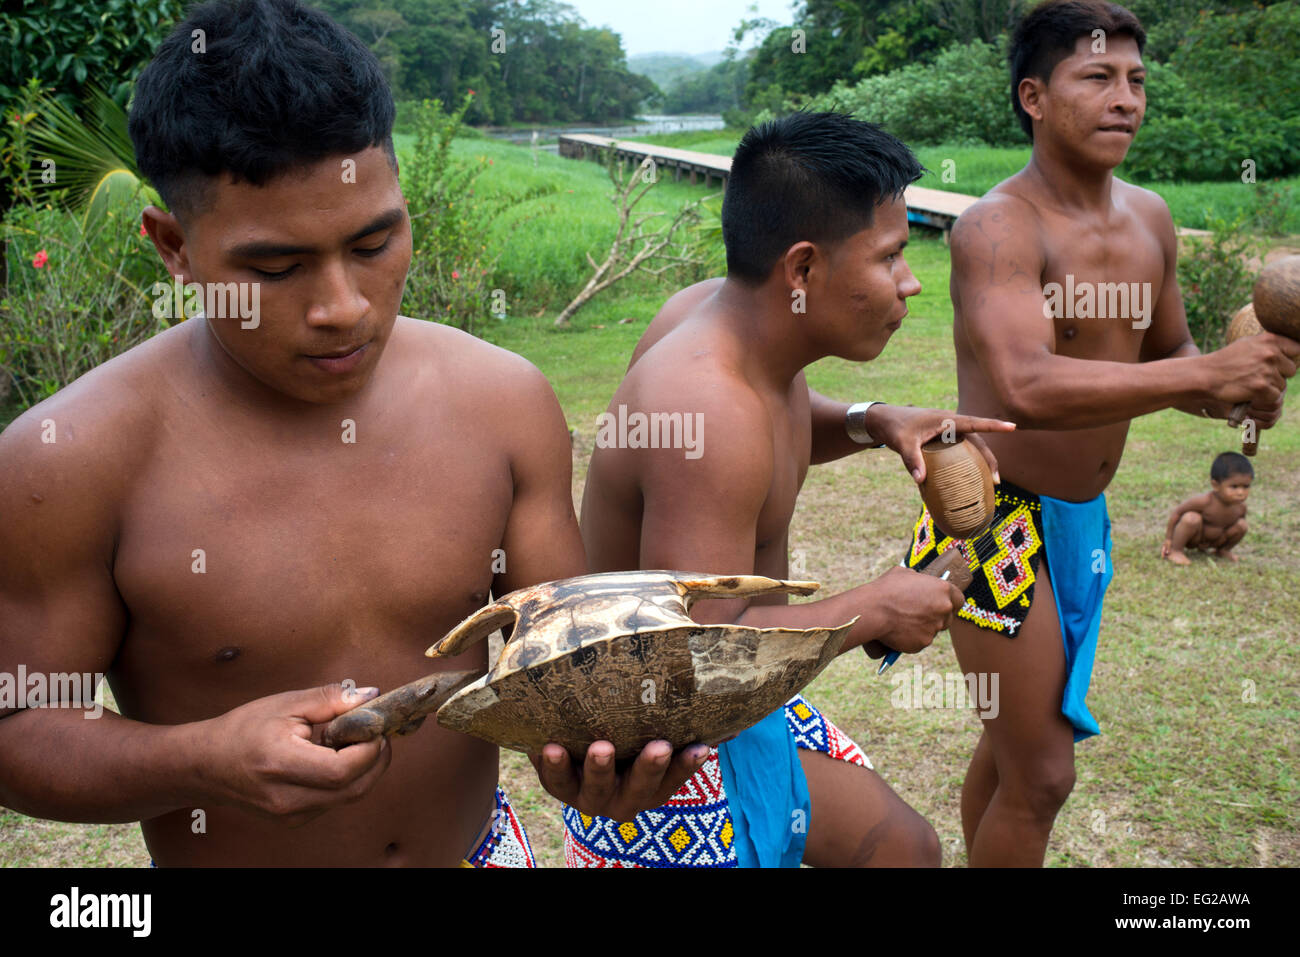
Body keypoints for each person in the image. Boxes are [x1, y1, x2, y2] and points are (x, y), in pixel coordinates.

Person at [0, 0, 704, 867]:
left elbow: (562, 667)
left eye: (374, 244)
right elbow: (18, 732)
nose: (342, 308)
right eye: (277, 268)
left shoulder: (504, 402)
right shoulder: (65, 461)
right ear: (174, 246)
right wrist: (202, 759)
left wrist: (593, 754)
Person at [564, 111, 1018, 868]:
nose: (910, 284)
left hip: (739, 706)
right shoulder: (707, 408)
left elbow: (781, 417)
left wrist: (875, 420)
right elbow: (695, 665)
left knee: (903, 848)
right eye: (892, 257)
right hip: (660, 749)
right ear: (803, 269)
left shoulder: (728, 320)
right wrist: (874, 607)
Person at [909, 0, 1299, 867]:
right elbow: (1023, 382)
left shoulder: (1150, 218)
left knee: (1011, 752)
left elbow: (1173, 360)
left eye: (1136, 80)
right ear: (1034, 97)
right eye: (1096, 76)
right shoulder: (997, 226)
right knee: (1044, 774)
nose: (1125, 97)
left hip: (1081, 518)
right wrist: (1202, 376)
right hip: (986, 517)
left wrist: (1238, 390)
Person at [1160, 452, 1252, 564]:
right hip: (1196, 538)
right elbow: (1177, 513)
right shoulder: (1204, 501)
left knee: (1242, 525)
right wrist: (1169, 539)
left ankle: (1223, 550)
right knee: (1191, 518)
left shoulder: (1241, 507)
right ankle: (1176, 551)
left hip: (1217, 539)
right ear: (1216, 485)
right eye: (1234, 487)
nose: (1241, 492)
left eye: (1246, 486)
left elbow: (1234, 528)